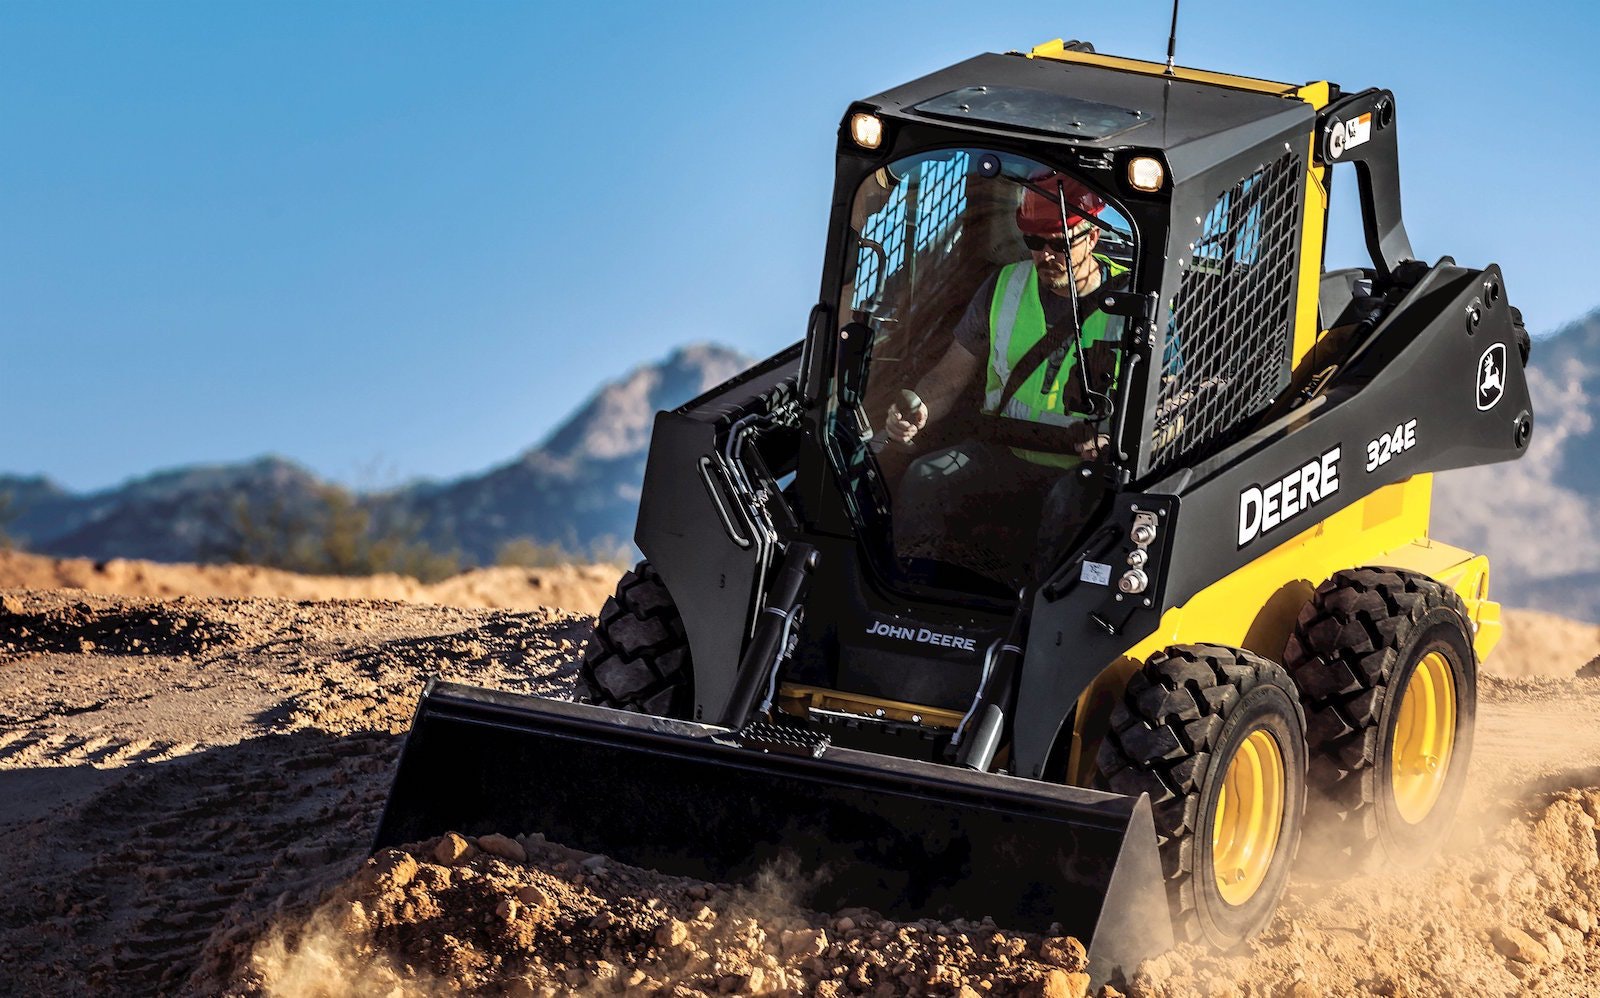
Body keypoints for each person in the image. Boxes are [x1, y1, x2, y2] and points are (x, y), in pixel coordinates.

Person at [885, 174, 1129, 584]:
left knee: (1067, 505)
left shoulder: (1135, 301)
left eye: (1059, 243)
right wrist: (918, 407)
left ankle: (1033, 626)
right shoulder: (1003, 288)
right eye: (1035, 242)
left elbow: (1172, 400)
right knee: (927, 477)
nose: (1046, 256)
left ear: (1093, 235)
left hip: (1082, 471)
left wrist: (1115, 441)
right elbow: (949, 375)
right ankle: (913, 593)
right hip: (1003, 452)